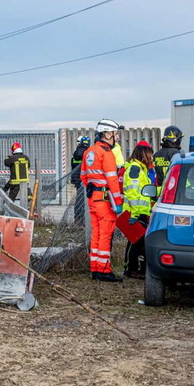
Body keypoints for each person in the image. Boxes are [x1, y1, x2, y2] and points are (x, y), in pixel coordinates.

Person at [81, 119, 124, 282]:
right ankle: (104, 270)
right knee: (106, 234)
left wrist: (94, 189)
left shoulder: (89, 152)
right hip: (105, 200)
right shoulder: (107, 153)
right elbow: (112, 180)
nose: (117, 138)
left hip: (93, 199)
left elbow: (83, 177)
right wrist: (118, 202)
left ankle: (95, 268)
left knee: (97, 234)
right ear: (107, 134)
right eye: (115, 134)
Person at [122, 141, 155, 279]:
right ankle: (130, 269)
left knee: (137, 242)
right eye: (150, 156)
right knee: (134, 242)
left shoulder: (140, 169)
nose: (151, 158)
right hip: (134, 212)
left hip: (140, 212)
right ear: (144, 155)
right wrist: (135, 214)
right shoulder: (135, 169)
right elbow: (133, 193)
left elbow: (144, 191)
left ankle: (135, 268)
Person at [70, 135, 91, 222]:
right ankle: (85, 220)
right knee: (86, 201)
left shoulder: (76, 153)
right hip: (85, 179)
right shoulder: (89, 153)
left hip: (77, 179)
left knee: (79, 200)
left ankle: (78, 219)